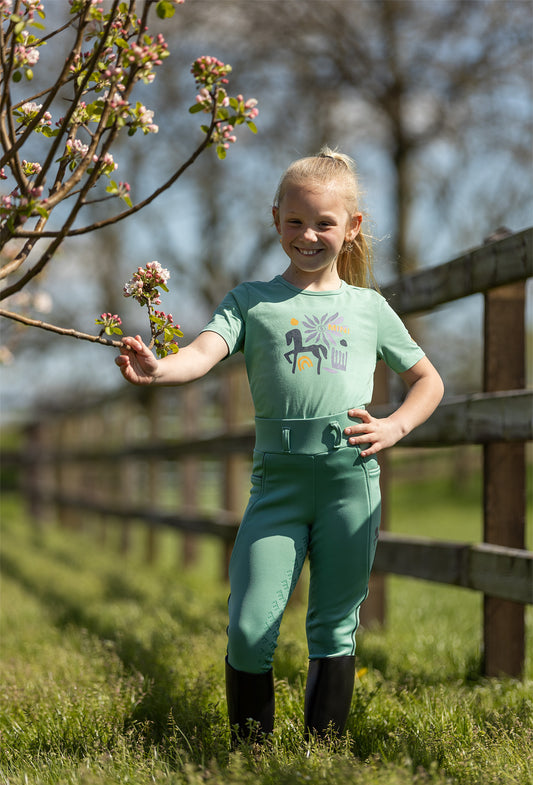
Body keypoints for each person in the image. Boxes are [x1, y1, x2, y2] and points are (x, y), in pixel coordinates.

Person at [115, 147, 444, 745]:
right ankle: (249, 756)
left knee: (335, 625)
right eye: (295, 222)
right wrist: (158, 369)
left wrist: (395, 426)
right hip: (277, 487)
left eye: (324, 222)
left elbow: (429, 380)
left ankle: (319, 756)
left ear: (351, 229)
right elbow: (202, 353)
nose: (309, 235)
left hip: (351, 482)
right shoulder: (251, 302)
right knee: (247, 626)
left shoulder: (370, 308)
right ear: (275, 221)